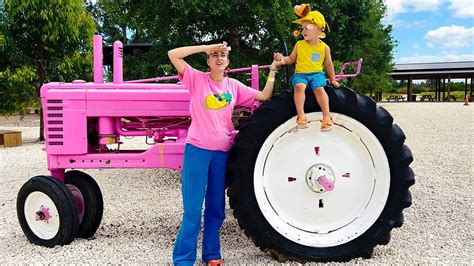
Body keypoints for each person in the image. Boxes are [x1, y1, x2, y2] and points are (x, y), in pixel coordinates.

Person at [168, 43, 283, 265]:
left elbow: (264, 95)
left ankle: (212, 254)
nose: (219, 58)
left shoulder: (234, 86)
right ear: (208, 61)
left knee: (216, 209)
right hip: (198, 151)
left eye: (223, 55)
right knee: (192, 210)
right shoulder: (197, 79)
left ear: (228, 62)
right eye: (214, 55)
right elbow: (173, 55)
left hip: (221, 153)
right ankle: (183, 259)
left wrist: (273, 70)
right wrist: (206, 46)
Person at [274, 5, 340, 131]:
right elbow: (291, 59)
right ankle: (301, 116)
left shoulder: (324, 48)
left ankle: (326, 117)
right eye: (302, 28)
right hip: (301, 74)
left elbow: (328, 64)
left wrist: (333, 79)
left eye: (308, 27)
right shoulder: (299, 44)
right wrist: (282, 59)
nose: (304, 31)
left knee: (320, 89)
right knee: (299, 86)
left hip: (317, 74)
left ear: (319, 29)